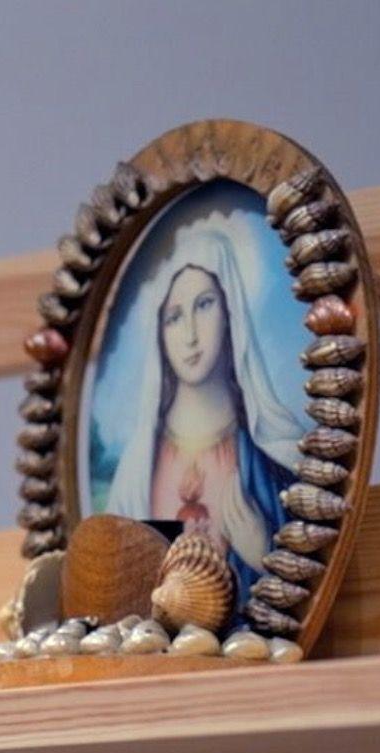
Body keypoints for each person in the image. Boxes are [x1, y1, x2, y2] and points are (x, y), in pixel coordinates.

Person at [102, 226, 304, 607]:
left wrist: (264, 556)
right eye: (174, 317)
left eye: (204, 304)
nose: (190, 335)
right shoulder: (136, 470)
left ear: (230, 312)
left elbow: (303, 579)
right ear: (159, 333)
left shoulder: (273, 454)